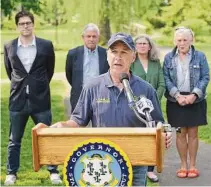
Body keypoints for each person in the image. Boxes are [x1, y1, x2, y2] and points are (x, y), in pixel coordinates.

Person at [38, 32, 172, 186]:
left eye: (124, 52)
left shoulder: (146, 89)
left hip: (136, 163)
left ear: (133, 57)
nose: (118, 57)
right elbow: (78, 120)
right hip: (102, 162)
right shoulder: (92, 87)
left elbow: (157, 123)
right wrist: (63, 125)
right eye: (114, 52)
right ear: (107, 55)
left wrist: (164, 133)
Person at [3, 10, 61, 185]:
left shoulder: (45, 45)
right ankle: (11, 173)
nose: (25, 26)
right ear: (17, 26)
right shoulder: (9, 46)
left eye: (28, 23)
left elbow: (49, 70)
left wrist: (39, 85)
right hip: (17, 100)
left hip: (41, 99)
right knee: (14, 139)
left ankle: (53, 171)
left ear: (33, 24)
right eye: (21, 24)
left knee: (46, 136)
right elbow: (10, 71)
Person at [163, 27, 210, 178]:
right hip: (175, 100)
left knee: (193, 133)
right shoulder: (169, 58)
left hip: (195, 99)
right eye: (179, 40)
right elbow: (166, 79)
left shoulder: (200, 56)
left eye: (185, 40)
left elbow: (205, 77)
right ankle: (183, 165)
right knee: (180, 133)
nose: (181, 43)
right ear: (174, 41)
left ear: (191, 40)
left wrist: (194, 95)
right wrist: (177, 96)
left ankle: (193, 165)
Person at [131, 34, 165, 182]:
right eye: (139, 44)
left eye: (145, 43)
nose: (142, 46)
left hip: (154, 105)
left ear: (150, 46)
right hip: (135, 107)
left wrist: (153, 100)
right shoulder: (132, 62)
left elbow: (162, 83)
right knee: (138, 137)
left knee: (153, 137)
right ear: (135, 47)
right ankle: (136, 165)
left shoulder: (156, 62)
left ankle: (150, 170)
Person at [65, 23, 109, 113]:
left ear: (98, 37)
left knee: (101, 125)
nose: (91, 39)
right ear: (83, 37)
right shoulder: (73, 54)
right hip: (79, 96)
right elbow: (69, 75)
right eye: (88, 36)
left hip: (101, 97)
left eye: (94, 36)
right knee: (78, 125)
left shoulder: (106, 53)